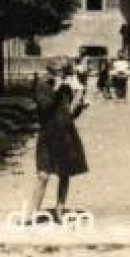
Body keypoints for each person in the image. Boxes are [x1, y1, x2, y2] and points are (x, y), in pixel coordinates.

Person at [29, 67, 88, 218]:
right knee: (43, 175)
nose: (65, 76)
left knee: (65, 173)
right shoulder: (42, 85)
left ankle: (60, 210)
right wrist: (56, 88)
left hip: (65, 134)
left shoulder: (66, 88)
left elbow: (69, 114)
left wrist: (80, 100)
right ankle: (31, 214)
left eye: (66, 72)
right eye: (62, 72)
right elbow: (45, 107)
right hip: (47, 134)